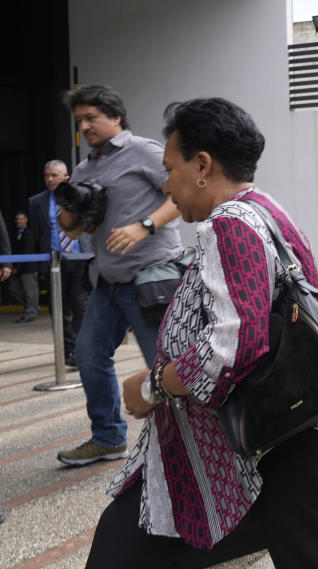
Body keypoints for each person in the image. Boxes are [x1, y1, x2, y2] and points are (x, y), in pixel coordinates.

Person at [69, 98, 318, 569]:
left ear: (203, 166)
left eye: (171, 171)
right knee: (125, 556)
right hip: (271, 440)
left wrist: (151, 385)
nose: (168, 189)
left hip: (286, 443)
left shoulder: (232, 225)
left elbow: (235, 344)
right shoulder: (268, 209)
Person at [55, 85, 184, 467]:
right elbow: (76, 231)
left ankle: (186, 443)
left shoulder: (143, 151)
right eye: (79, 120)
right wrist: (67, 206)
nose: (84, 126)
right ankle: (109, 438)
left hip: (150, 278)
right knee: (89, 355)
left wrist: (144, 225)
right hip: (108, 282)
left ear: (115, 116)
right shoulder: (84, 168)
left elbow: (181, 196)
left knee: (164, 363)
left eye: (91, 117)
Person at [27, 160, 93, 365]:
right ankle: (68, 352)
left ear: (66, 177)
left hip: (80, 259)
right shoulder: (36, 202)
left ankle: (83, 350)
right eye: (46, 175)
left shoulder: (79, 196)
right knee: (60, 311)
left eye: (54, 175)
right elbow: (38, 233)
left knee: (82, 308)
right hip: (55, 262)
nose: (49, 179)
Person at [9, 212, 40, 323]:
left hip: (28, 268)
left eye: (21, 219)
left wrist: (17, 267)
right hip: (18, 267)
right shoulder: (16, 234)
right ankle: (33, 307)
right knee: (13, 288)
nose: (18, 221)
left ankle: (30, 314)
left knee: (30, 293)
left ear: (26, 221)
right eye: (17, 219)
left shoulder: (28, 233)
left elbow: (28, 252)